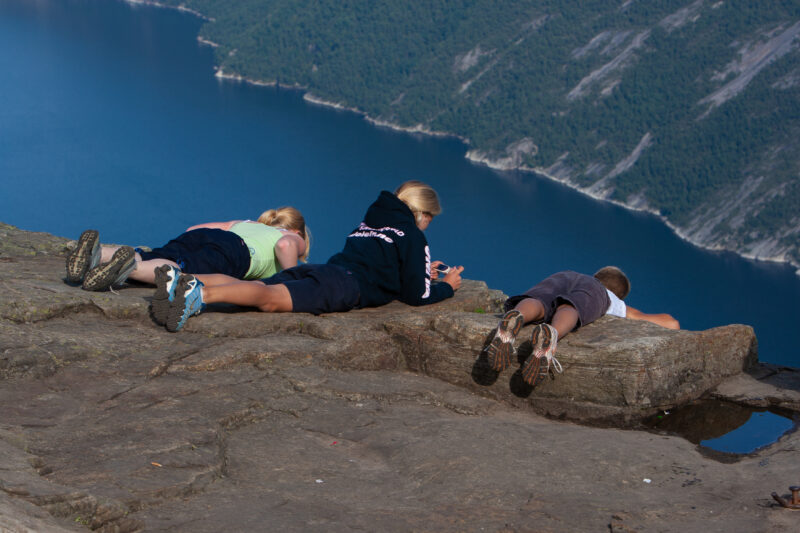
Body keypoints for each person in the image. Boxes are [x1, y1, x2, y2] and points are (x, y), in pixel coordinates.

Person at [156, 180, 464, 332]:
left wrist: (423, 270)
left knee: (266, 287)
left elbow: (386, 266)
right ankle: (199, 295)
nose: (429, 224)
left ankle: (182, 281)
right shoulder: (412, 235)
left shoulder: (373, 221)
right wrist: (446, 286)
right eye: (430, 218)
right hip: (343, 288)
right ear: (421, 213)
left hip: (325, 270)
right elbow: (417, 296)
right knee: (269, 298)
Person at [485, 267, 679, 387]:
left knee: (539, 302)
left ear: (597, 275)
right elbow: (671, 323)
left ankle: (517, 317)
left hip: (562, 276)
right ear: (618, 294)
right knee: (572, 306)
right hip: (596, 291)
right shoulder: (608, 297)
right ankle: (553, 333)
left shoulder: (576, 276)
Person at [65, 207, 311, 293]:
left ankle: (97, 255)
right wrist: (292, 279)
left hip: (214, 236)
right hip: (237, 253)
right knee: (182, 270)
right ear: (299, 231)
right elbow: (285, 245)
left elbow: (194, 228)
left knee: (158, 255)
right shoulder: (291, 236)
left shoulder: (249, 224)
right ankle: (130, 268)